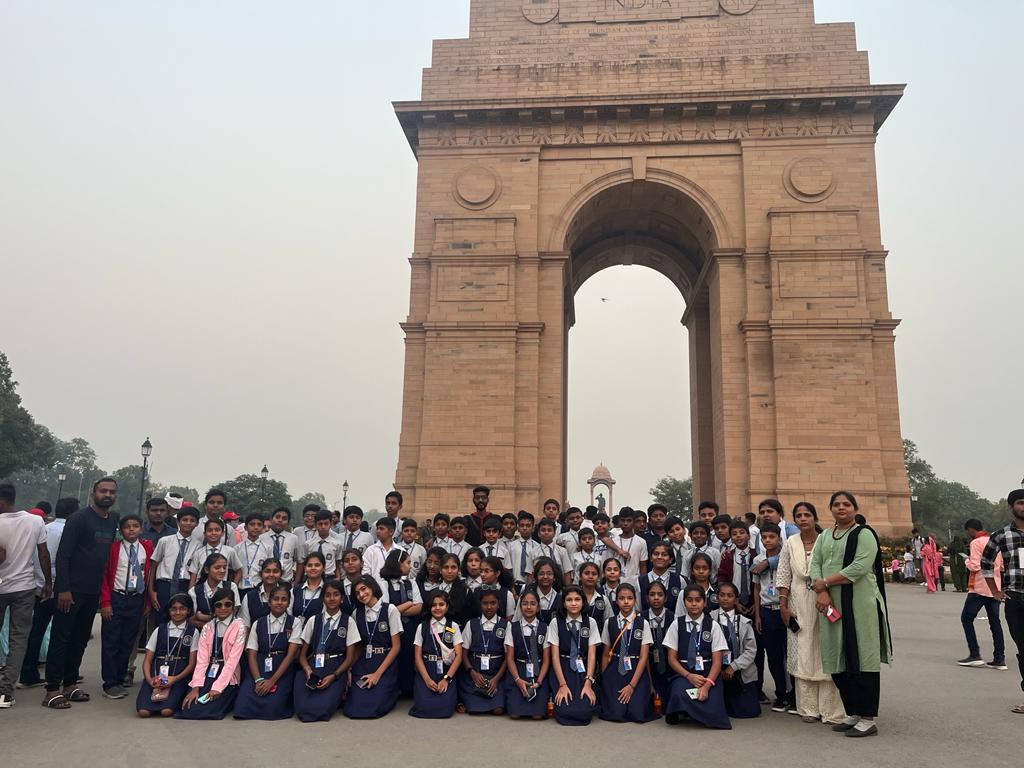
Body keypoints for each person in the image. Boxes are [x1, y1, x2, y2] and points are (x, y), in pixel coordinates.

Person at [809, 491, 891, 737]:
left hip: (860, 605)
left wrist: (824, 582)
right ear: (830, 509)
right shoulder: (824, 536)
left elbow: (859, 567)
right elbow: (815, 563)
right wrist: (821, 591)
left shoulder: (865, 534)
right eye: (836, 504)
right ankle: (853, 711)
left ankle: (868, 718)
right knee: (837, 658)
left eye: (846, 504)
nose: (841, 508)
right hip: (832, 604)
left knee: (862, 658)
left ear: (855, 508)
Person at [44, 477, 119, 709]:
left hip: (92, 592)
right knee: (61, 638)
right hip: (71, 590)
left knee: (79, 640)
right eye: (103, 491)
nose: (107, 495)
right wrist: (63, 588)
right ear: (93, 494)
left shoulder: (112, 520)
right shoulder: (79, 519)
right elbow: (63, 555)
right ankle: (52, 690)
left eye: (111, 492)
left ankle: (70, 684)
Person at [777, 501, 845, 724]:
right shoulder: (790, 542)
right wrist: (783, 605)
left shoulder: (827, 539)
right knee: (803, 651)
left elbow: (834, 568)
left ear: (815, 518)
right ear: (794, 520)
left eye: (807, 514)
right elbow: (784, 574)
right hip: (798, 602)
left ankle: (830, 710)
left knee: (824, 648)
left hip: (823, 598)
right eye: (798, 515)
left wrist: (826, 592)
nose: (803, 519)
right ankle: (808, 708)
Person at [0, 483, 51, 709]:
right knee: (18, 639)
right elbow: (43, 553)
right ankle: (5, 692)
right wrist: (48, 582)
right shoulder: (35, 521)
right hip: (24, 587)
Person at [18, 496, 74, 689]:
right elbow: (61, 562)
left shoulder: (45, 528)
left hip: (39, 586)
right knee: (62, 633)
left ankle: (28, 672)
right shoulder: (69, 530)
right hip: (60, 588)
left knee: (36, 631)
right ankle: (59, 673)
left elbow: (39, 558)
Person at [98, 514, 154, 699]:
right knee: (111, 642)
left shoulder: (146, 547)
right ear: (121, 530)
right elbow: (105, 576)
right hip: (116, 597)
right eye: (127, 526)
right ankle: (110, 682)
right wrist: (105, 602)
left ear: (141, 528)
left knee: (128, 642)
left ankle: (120, 677)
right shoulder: (113, 549)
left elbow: (148, 577)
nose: (131, 529)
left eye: (135, 526)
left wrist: (146, 602)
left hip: (136, 599)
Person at [980, 488, 1024, 712]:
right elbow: (985, 563)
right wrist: (994, 591)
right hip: (1015, 598)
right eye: (1020, 503)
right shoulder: (1001, 535)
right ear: (1011, 507)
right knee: (1023, 649)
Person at [663, 584, 730, 729]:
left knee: (711, 702)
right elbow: (671, 658)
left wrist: (706, 685)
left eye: (698, 600)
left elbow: (717, 662)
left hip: (707, 674)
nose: (694, 604)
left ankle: (688, 710)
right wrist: (689, 676)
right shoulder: (676, 624)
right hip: (684, 673)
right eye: (690, 600)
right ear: (684, 602)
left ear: (704, 602)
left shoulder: (713, 626)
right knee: (678, 693)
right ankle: (682, 709)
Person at [292, 580, 360, 722]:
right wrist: (307, 670)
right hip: (313, 667)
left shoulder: (348, 622)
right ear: (323, 598)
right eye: (328, 595)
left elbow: (349, 657)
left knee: (323, 709)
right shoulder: (313, 620)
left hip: (336, 668)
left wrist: (334, 676)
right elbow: (302, 655)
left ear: (342, 599)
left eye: (336, 595)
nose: (332, 598)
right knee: (302, 707)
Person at [175, 587, 247, 720]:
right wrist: (196, 686)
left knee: (210, 710)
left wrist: (218, 687)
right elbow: (201, 660)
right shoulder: (208, 627)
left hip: (228, 676)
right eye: (218, 605)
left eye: (228, 604)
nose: (223, 608)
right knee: (189, 707)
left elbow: (232, 661)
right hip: (209, 671)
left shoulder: (239, 626)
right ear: (213, 608)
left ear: (233, 606)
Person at [345, 575, 403, 718]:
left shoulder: (390, 610)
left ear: (372, 587)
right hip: (364, 662)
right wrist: (349, 668)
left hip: (384, 663)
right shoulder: (356, 614)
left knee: (374, 707)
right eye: (357, 593)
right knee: (354, 707)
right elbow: (358, 647)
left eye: (363, 589)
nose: (361, 595)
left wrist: (377, 674)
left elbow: (396, 646)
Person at [598, 582, 656, 722]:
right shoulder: (609, 622)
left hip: (636, 669)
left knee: (637, 713)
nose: (626, 602)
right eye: (622, 598)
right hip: (615, 669)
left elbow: (644, 657)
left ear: (635, 600)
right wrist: (605, 678)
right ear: (616, 601)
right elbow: (606, 653)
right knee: (616, 713)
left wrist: (632, 686)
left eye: (629, 598)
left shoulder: (643, 623)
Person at [135, 592, 197, 718]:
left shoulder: (193, 632)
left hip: (178, 677)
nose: (178, 612)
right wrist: (149, 679)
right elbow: (147, 660)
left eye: (182, 609)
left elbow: (192, 664)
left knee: (166, 711)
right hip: (156, 675)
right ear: (168, 611)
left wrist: (174, 679)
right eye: (174, 609)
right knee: (143, 712)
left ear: (188, 611)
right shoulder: (159, 629)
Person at [547, 585, 598, 726]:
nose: (574, 603)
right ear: (563, 603)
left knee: (585, 711)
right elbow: (555, 657)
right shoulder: (556, 622)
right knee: (565, 710)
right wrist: (562, 685)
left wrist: (588, 682)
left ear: (583, 602)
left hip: (583, 671)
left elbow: (592, 655)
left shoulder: (591, 622)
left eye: (577, 599)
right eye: (569, 600)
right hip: (562, 669)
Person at [958, 518, 1005, 669]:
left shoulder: (975, 543)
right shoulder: (994, 541)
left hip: (980, 586)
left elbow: (975, 565)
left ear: (971, 529)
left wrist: (966, 561)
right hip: (995, 586)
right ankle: (999, 658)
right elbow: (1002, 565)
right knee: (995, 622)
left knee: (966, 618)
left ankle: (975, 654)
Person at [752, 522, 789, 712]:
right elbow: (756, 588)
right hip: (766, 611)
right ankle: (781, 695)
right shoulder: (758, 559)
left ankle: (794, 695)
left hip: (785, 609)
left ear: (779, 538)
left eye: (771, 537)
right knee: (773, 657)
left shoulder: (787, 555)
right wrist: (757, 615)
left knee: (790, 654)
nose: (767, 540)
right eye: (764, 537)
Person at [409, 591, 462, 718]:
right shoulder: (422, 627)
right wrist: (426, 679)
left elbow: (459, 655)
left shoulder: (453, 626)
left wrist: (446, 679)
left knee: (446, 708)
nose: (437, 608)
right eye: (434, 605)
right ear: (429, 607)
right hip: (427, 670)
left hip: (446, 671)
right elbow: (417, 656)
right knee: (423, 707)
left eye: (441, 604)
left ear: (447, 606)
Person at [378, 548, 423, 696]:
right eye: (408, 562)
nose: (410, 566)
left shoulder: (411, 583)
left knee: (409, 656)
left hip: (410, 627)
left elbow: (419, 607)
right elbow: (386, 610)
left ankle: (408, 688)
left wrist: (398, 609)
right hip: (392, 630)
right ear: (398, 564)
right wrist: (408, 603)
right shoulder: (384, 584)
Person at [711, 582, 759, 719]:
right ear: (717, 597)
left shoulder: (744, 623)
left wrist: (733, 667)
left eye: (730, 596)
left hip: (739, 672)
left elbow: (751, 651)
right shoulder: (710, 619)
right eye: (722, 595)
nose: (725, 599)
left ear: (736, 600)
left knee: (748, 711)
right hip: (717, 670)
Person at [457, 589, 508, 714]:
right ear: (480, 605)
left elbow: (508, 657)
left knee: (498, 710)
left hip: (496, 675)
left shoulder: (506, 625)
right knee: (474, 710)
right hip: (475, 675)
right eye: (485, 603)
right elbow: (463, 654)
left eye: (493, 603)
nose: (489, 606)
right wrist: (472, 672)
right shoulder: (471, 624)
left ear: (498, 604)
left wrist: (496, 679)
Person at [148, 507, 199, 625]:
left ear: (196, 524)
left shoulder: (198, 545)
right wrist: (152, 590)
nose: (188, 523)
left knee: (181, 620)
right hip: (164, 585)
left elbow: (194, 571)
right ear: (178, 522)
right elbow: (153, 565)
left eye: (192, 520)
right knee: (161, 620)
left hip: (184, 585)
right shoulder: (165, 541)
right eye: (185, 520)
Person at [504, 587, 550, 719]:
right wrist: (518, 680)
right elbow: (510, 658)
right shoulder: (512, 627)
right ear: (520, 606)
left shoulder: (544, 627)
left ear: (538, 607)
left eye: (533, 604)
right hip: (518, 671)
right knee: (515, 714)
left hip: (539, 672)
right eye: (524, 603)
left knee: (537, 715)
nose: (528, 607)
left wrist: (539, 681)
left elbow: (547, 659)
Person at [239, 558, 289, 628]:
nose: (271, 574)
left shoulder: (288, 594)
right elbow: (245, 626)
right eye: (267, 571)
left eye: (275, 571)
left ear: (281, 573)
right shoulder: (249, 597)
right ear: (260, 574)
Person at [260, 507, 300, 584]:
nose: (280, 520)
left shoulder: (294, 539)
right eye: (277, 517)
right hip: (267, 581)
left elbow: (299, 561)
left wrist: (296, 581)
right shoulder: (261, 538)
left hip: (287, 581)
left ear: (288, 522)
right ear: (271, 519)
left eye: (284, 518)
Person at [236, 514, 271, 595]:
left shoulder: (267, 548)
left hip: (260, 587)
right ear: (245, 528)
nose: (256, 527)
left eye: (259, 525)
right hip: (241, 588)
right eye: (252, 524)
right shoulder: (237, 548)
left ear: (262, 528)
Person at [290, 552, 326, 620]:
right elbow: (289, 614)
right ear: (305, 568)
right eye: (309, 565)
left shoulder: (327, 590)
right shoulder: (295, 590)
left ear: (324, 568)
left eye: (317, 565)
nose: (313, 568)